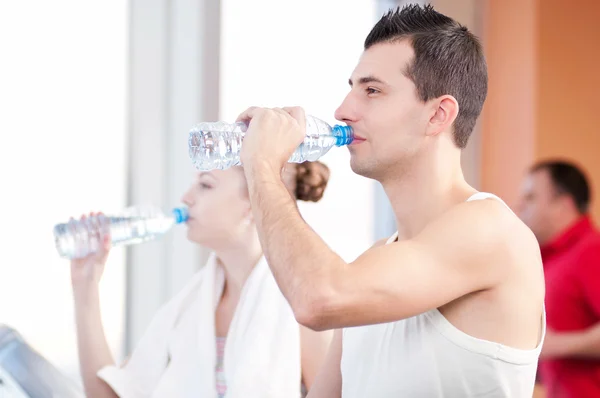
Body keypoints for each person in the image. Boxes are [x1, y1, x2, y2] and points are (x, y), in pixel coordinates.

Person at [234, 4, 545, 397]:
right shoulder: (377, 262)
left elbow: (317, 299)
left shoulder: (492, 230)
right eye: (351, 89)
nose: (343, 111)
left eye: (372, 90)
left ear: (437, 115)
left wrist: (263, 167)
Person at [70, 162, 333, 398]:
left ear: (255, 203)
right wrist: (86, 286)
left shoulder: (302, 306)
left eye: (205, 185)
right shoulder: (188, 306)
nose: (186, 197)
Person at [519, 160, 600, 397]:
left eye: (531, 197)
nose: (520, 205)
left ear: (562, 205)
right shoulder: (551, 258)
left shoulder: (592, 252)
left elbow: (553, 344)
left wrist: (554, 345)